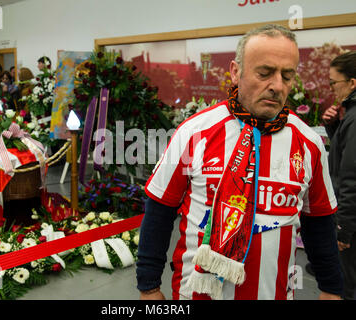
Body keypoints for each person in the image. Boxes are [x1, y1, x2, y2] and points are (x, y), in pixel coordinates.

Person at [136, 24, 343, 300]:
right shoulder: (193, 132)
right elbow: (159, 211)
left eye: (287, 75)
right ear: (235, 72)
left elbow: (319, 224)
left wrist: (331, 289)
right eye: (265, 73)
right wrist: (148, 286)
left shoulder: (309, 144)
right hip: (195, 295)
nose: (277, 86)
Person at [322, 51, 356, 300]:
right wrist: (334, 128)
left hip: (351, 223)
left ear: (352, 83)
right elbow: (346, 155)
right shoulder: (350, 116)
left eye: (334, 83)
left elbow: (351, 177)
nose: (332, 88)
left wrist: (343, 229)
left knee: (345, 285)